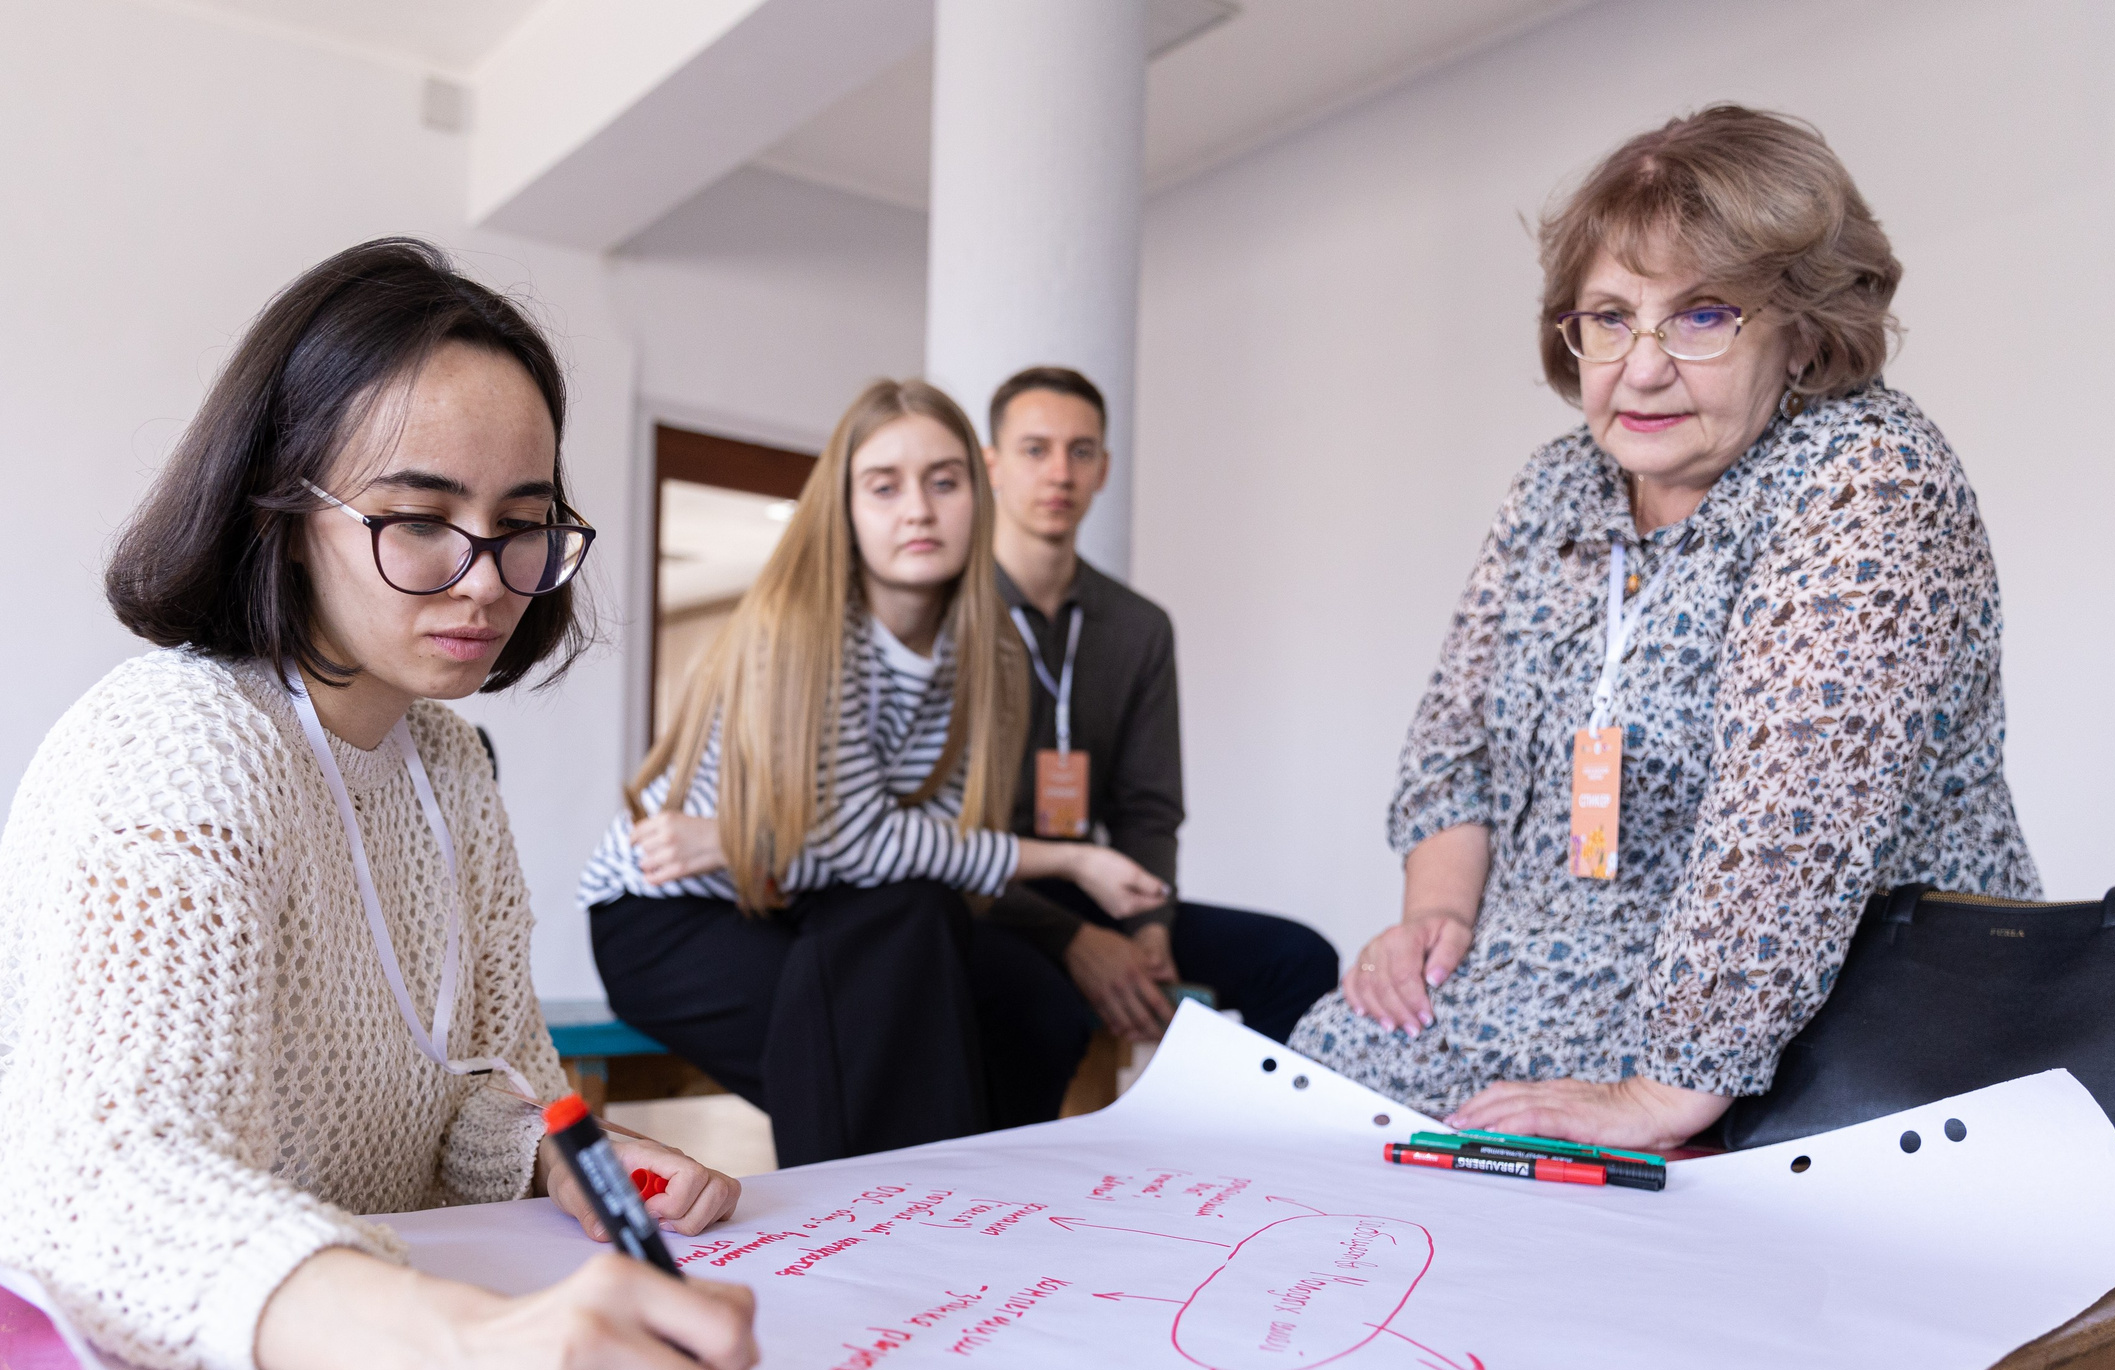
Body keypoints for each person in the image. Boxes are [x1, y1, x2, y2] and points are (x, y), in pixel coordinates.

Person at [0, 239, 757, 1370]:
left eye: (522, 526)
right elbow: (103, 1192)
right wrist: (455, 1348)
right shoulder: (178, 742)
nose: (485, 580)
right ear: (280, 516)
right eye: (417, 519)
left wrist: (554, 1152)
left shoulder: (448, 766)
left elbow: (475, 1088)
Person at [1289, 106, 2039, 1151]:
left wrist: (1661, 1091)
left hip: (1821, 1011)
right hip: (1543, 985)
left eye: (1701, 316)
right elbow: (1452, 745)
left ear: (1805, 328)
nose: (1639, 367)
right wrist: (1438, 917)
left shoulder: (1865, 477)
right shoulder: (1555, 485)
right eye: (1608, 316)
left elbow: (1789, 832)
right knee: (1302, 1110)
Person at [580, 379, 1168, 1165]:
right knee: (875, 1030)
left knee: (1029, 1001)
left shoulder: (987, 651)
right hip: (671, 908)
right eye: (884, 486)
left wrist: (751, 839)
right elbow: (869, 845)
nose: (918, 510)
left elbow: (925, 844)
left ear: (977, 495)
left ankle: (972, 1203)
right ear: (846, 508)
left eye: (944, 481)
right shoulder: (806, 628)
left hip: (812, 896)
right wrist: (1070, 857)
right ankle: (904, 1228)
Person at [969, 367, 1339, 1126]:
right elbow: (944, 840)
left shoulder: (1136, 627)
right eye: (1035, 449)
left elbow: (1148, 807)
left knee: (1298, 959)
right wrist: (1076, 940)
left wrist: (1147, 929)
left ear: (1104, 467)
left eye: (1081, 451)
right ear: (991, 464)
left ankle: (1243, 1164)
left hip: (1097, 887)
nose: (1060, 473)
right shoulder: (950, 615)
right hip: (977, 897)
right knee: (1044, 1006)